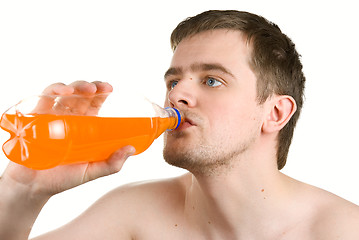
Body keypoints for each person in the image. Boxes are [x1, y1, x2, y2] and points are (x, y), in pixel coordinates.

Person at [1, 10, 359, 240]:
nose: (178, 95)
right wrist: (23, 189)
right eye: (174, 82)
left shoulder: (342, 231)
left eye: (212, 80)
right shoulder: (133, 213)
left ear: (276, 113)